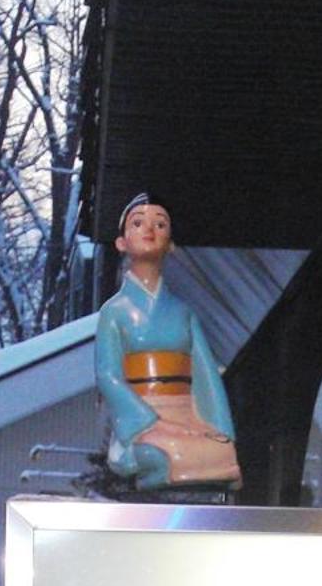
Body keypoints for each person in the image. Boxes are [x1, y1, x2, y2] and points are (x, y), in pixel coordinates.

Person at [93, 193, 241, 491]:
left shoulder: (183, 312)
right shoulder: (114, 312)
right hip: (144, 421)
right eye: (138, 223)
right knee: (167, 453)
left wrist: (218, 427)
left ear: (171, 244)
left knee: (222, 450)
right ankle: (154, 467)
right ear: (122, 242)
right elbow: (108, 375)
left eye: (160, 225)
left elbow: (205, 375)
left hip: (187, 417)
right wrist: (150, 421)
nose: (150, 230)